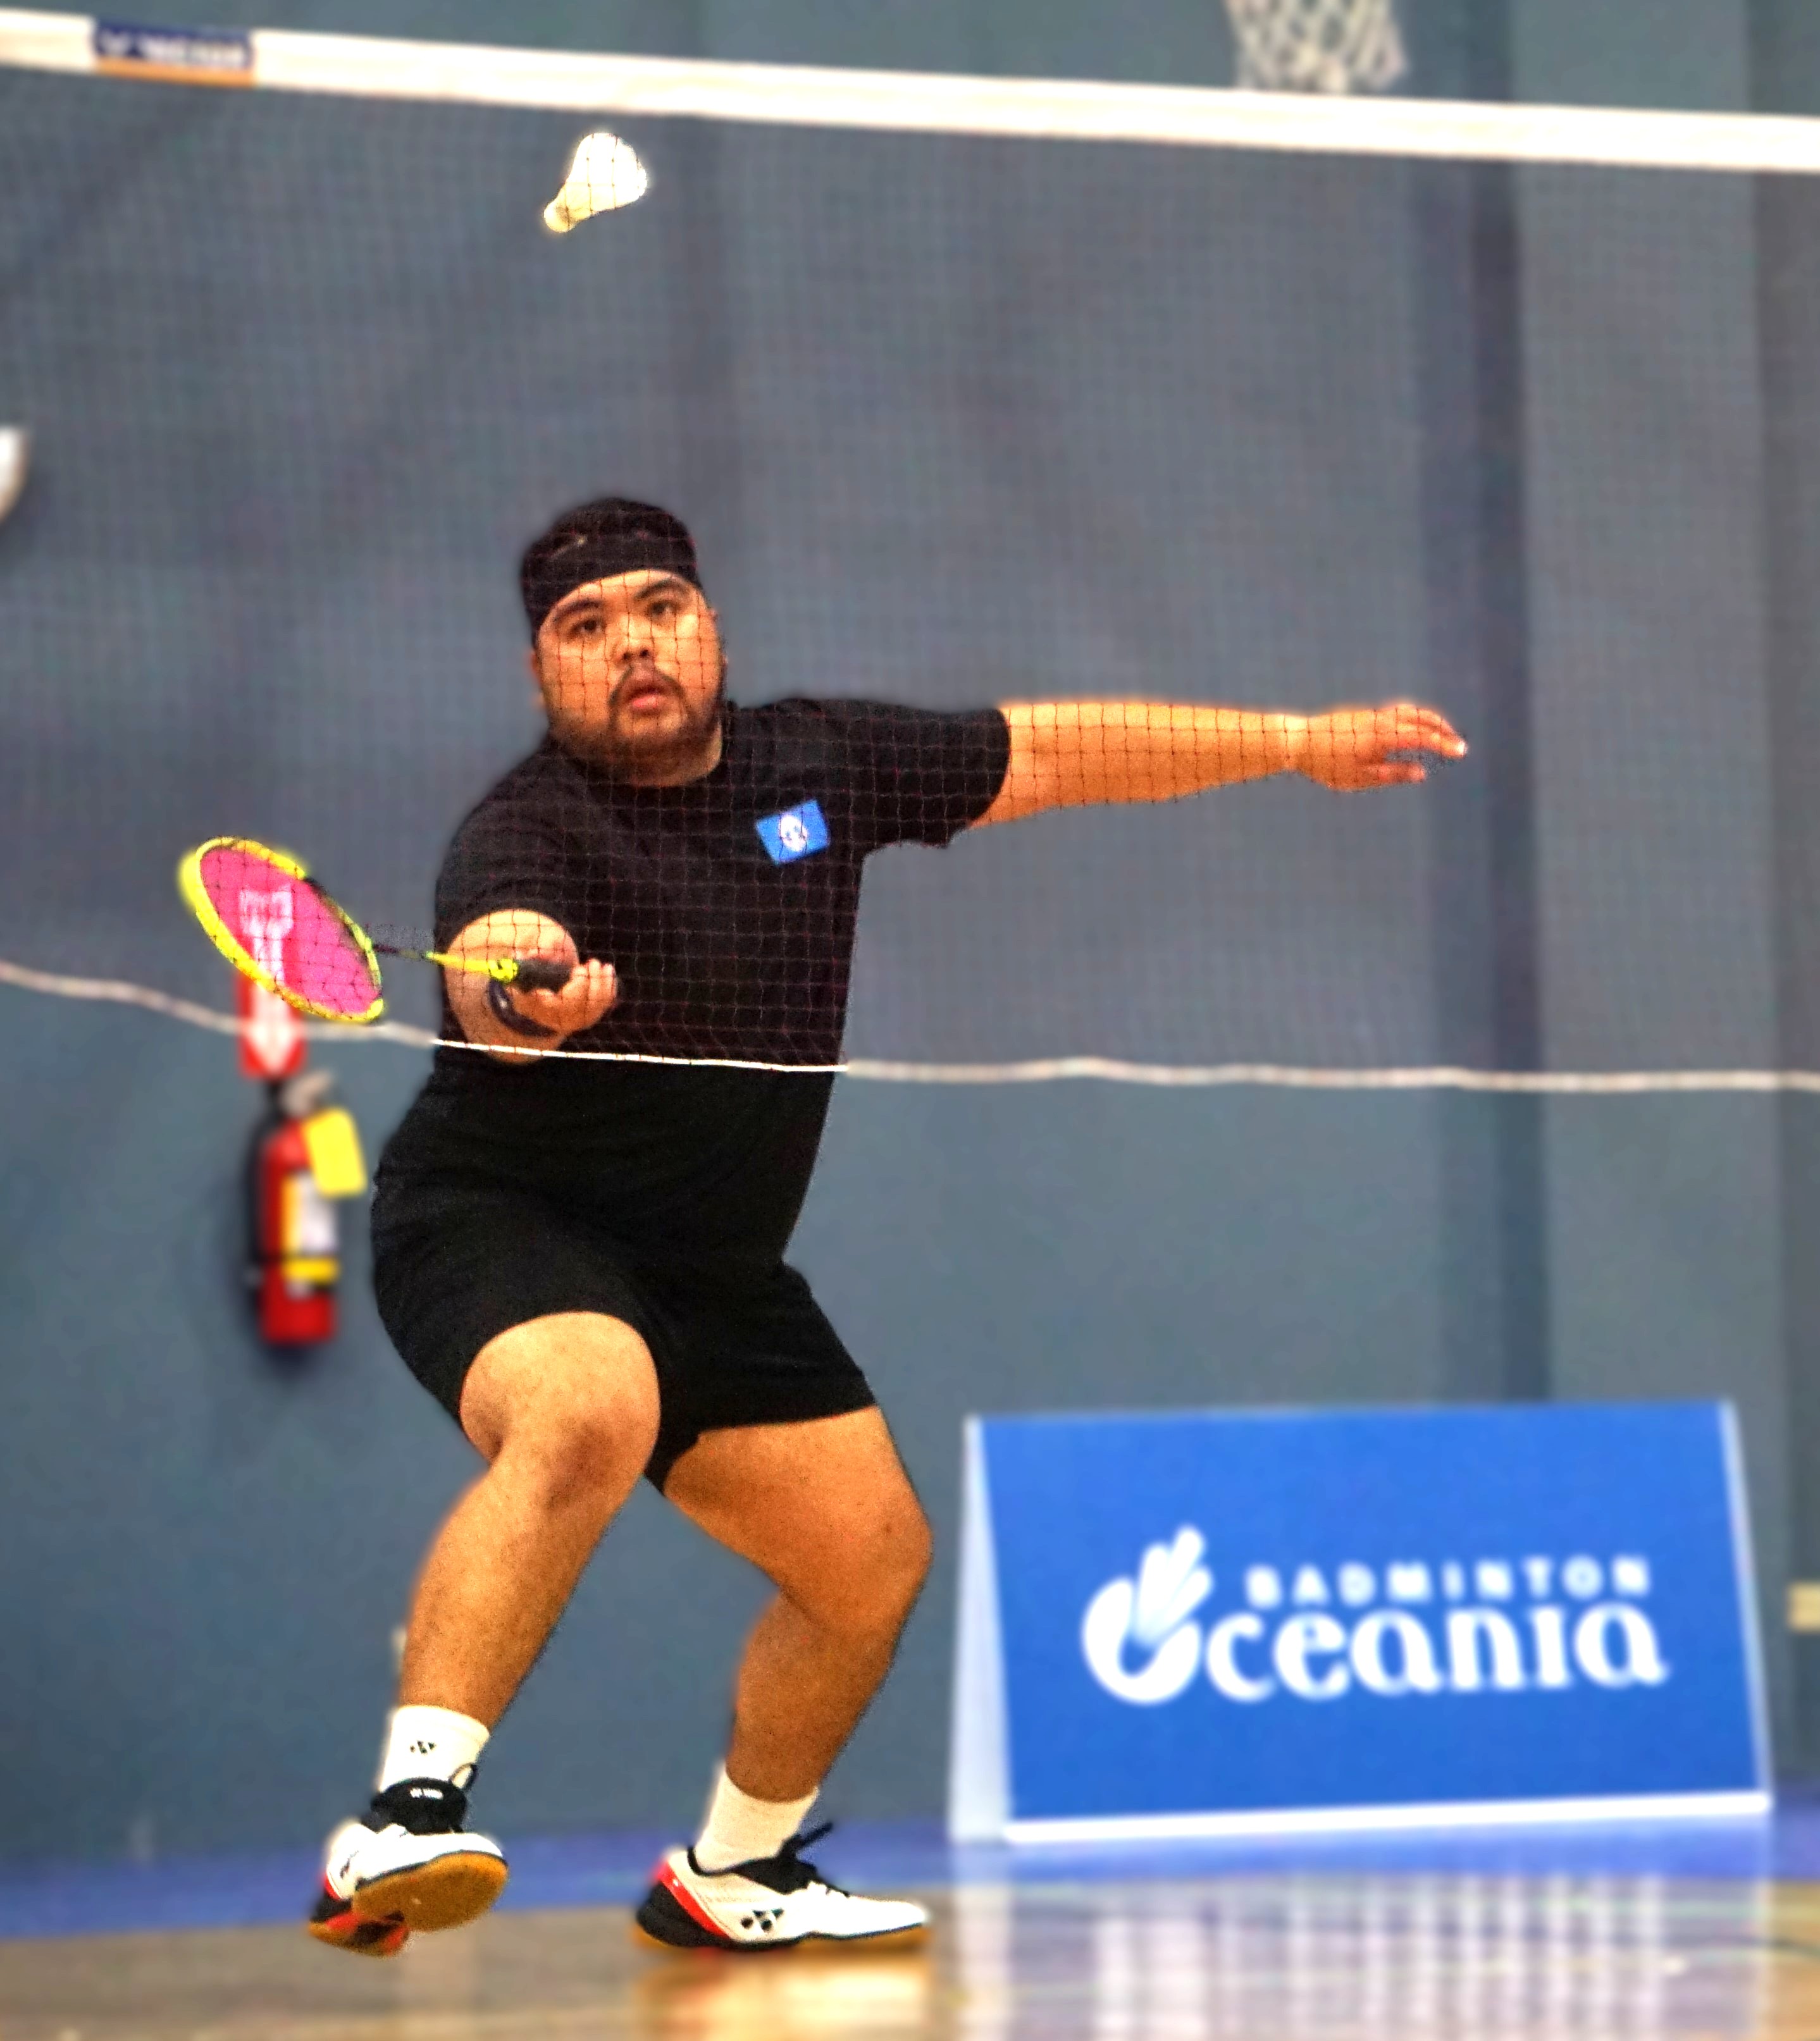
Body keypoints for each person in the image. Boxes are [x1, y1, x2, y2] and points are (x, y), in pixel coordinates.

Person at [312, 499, 1464, 1957]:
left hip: (710, 1267)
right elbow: (495, 964)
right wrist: (527, 988)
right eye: (584, 629)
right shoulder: (525, 830)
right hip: (503, 1222)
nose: (633, 645)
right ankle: (405, 1822)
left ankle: (734, 1870)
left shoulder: (820, 763)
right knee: (589, 1408)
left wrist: (1293, 742)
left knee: (865, 1559)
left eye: (659, 607)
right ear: (546, 675)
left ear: (711, 625)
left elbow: (1054, 750)